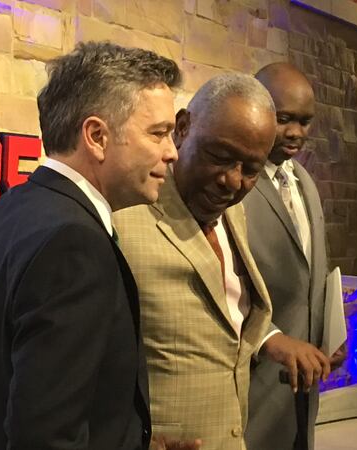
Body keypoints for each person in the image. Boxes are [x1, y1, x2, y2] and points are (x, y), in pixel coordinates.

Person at [0, 41, 180, 450]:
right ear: (97, 136)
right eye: (159, 133)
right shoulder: (75, 243)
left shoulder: (0, 213)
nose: (172, 152)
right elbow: (46, 435)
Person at [113, 73, 277, 450]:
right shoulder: (126, 214)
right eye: (219, 157)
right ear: (183, 127)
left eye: (251, 170)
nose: (232, 181)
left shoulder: (233, 215)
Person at [243, 62, 345, 450]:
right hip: (254, 382)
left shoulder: (305, 183)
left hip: (304, 385)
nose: (296, 134)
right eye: (285, 119)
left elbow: (313, 275)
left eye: (305, 122)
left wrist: (328, 336)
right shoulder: (232, 184)